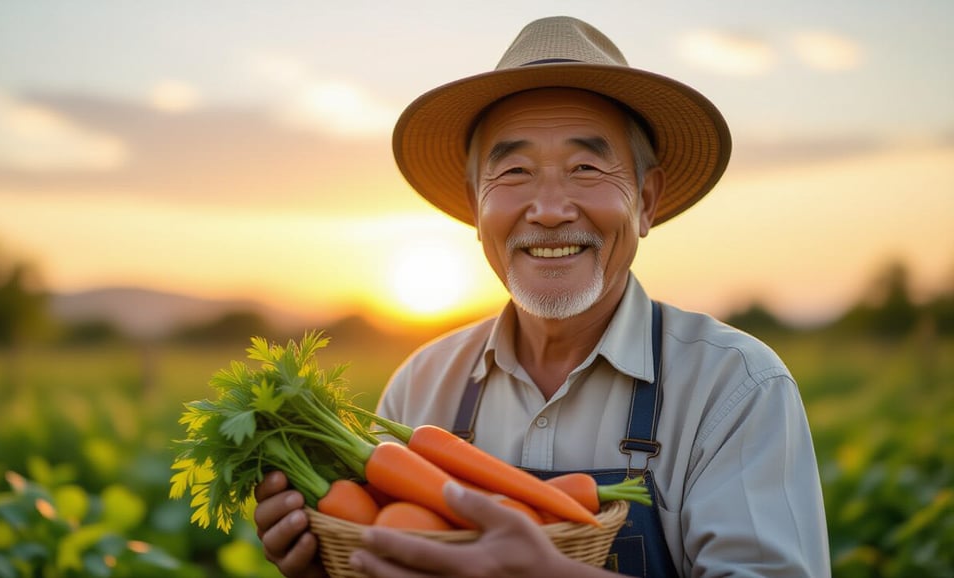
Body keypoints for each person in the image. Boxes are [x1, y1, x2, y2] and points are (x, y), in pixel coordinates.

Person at [253, 15, 830, 577]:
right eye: (515, 172)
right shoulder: (420, 386)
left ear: (647, 201)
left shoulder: (734, 387)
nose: (550, 210)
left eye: (585, 167)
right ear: (476, 207)